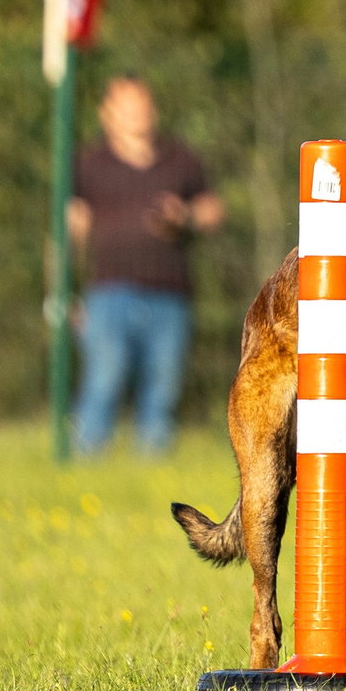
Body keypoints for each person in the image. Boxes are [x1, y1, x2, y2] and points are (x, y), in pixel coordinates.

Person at [69, 74, 223, 455]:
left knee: (164, 384)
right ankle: (85, 459)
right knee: (104, 377)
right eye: (127, 106)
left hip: (169, 291)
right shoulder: (89, 164)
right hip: (107, 291)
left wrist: (184, 216)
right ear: (107, 113)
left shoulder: (180, 158)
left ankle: (154, 463)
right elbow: (70, 233)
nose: (137, 114)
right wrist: (67, 292)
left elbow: (213, 210)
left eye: (142, 104)